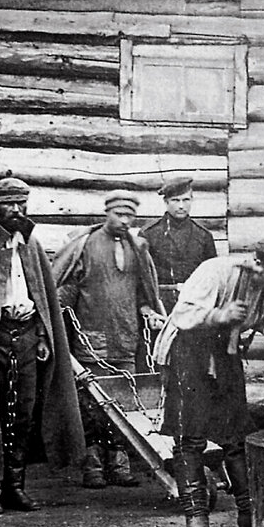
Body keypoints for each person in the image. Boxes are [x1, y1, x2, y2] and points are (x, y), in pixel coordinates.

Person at [152, 240, 264, 527]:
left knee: (237, 435)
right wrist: (218, 315)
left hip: (226, 354)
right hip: (188, 350)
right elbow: (184, 315)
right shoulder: (214, 271)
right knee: (190, 436)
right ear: (258, 266)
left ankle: (248, 514)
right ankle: (196, 517)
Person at [0, 177, 85, 514]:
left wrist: (42, 335)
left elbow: (42, 295)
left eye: (21, 203)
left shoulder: (31, 244)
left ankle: (14, 486)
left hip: (26, 335)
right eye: (9, 204)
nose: (16, 210)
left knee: (23, 412)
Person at [53, 189, 167, 489]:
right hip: (91, 339)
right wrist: (54, 309)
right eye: (119, 214)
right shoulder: (87, 245)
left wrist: (149, 312)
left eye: (130, 216)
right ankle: (93, 467)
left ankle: (119, 465)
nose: (124, 220)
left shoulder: (137, 248)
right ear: (107, 213)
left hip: (126, 339)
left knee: (124, 402)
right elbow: (69, 287)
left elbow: (144, 292)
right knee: (92, 406)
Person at [141, 177, 217, 313]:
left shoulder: (203, 235)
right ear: (166, 202)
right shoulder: (149, 234)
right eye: (175, 200)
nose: (181, 206)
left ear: (192, 201)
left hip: (195, 306)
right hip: (161, 305)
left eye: (186, 200)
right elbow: (141, 277)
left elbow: (212, 276)